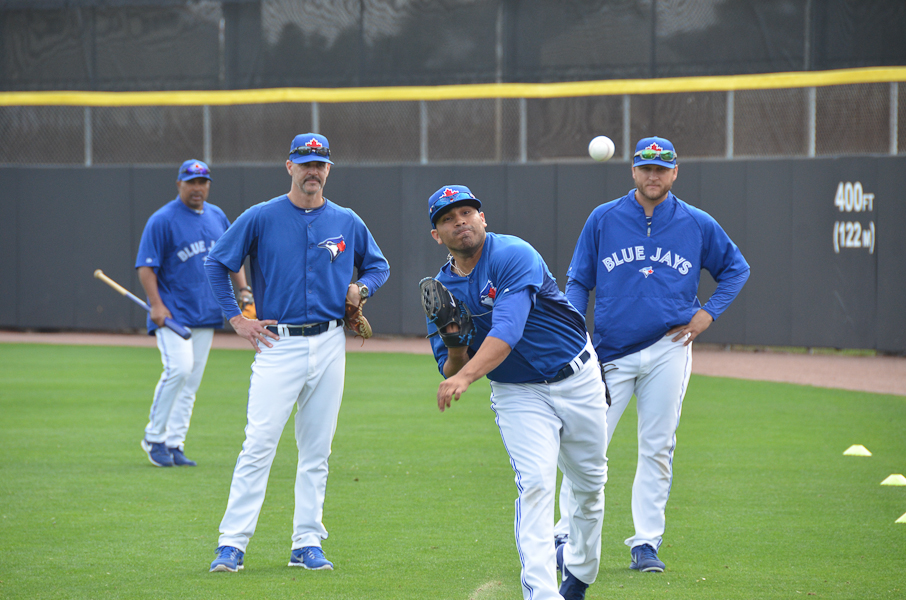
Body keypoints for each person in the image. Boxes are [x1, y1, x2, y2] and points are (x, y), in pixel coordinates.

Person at [554, 136, 750, 573]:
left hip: (669, 347)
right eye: (646, 167)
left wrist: (708, 314)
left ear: (675, 172)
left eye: (662, 168)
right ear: (633, 171)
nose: (654, 175)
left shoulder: (696, 223)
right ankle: (565, 533)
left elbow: (736, 268)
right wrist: (575, 329)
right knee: (586, 445)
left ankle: (645, 542)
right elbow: (578, 280)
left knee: (658, 446)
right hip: (609, 352)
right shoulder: (603, 218)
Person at [204, 133, 390, 573]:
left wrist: (361, 287)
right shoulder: (262, 216)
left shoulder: (346, 220)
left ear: (329, 169)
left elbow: (378, 265)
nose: (313, 170)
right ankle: (231, 543)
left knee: (317, 450)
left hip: (329, 342)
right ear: (289, 165)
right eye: (305, 162)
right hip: (278, 343)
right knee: (258, 445)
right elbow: (217, 262)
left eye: (320, 162)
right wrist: (236, 319)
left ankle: (306, 542)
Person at [422, 185, 608, 600]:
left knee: (590, 489)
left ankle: (578, 574)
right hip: (517, 393)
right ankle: (541, 594)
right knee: (536, 484)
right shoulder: (442, 289)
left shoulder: (512, 254)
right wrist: (454, 343)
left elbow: (507, 330)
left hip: (576, 376)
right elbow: (448, 367)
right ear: (437, 235)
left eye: (467, 212)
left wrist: (465, 376)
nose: (460, 222)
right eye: (448, 218)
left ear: (482, 218)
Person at [136, 159, 252, 468]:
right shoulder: (162, 220)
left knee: (191, 382)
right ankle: (154, 436)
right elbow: (146, 266)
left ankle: (175, 442)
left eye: (203, 182)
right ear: (179, 185)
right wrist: (157, 304)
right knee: (179, 369)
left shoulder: (217, 217)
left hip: (206, 311)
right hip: (173, 314)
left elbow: (233, 257)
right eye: (191, 182)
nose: (197, 188)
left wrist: (244, 290)